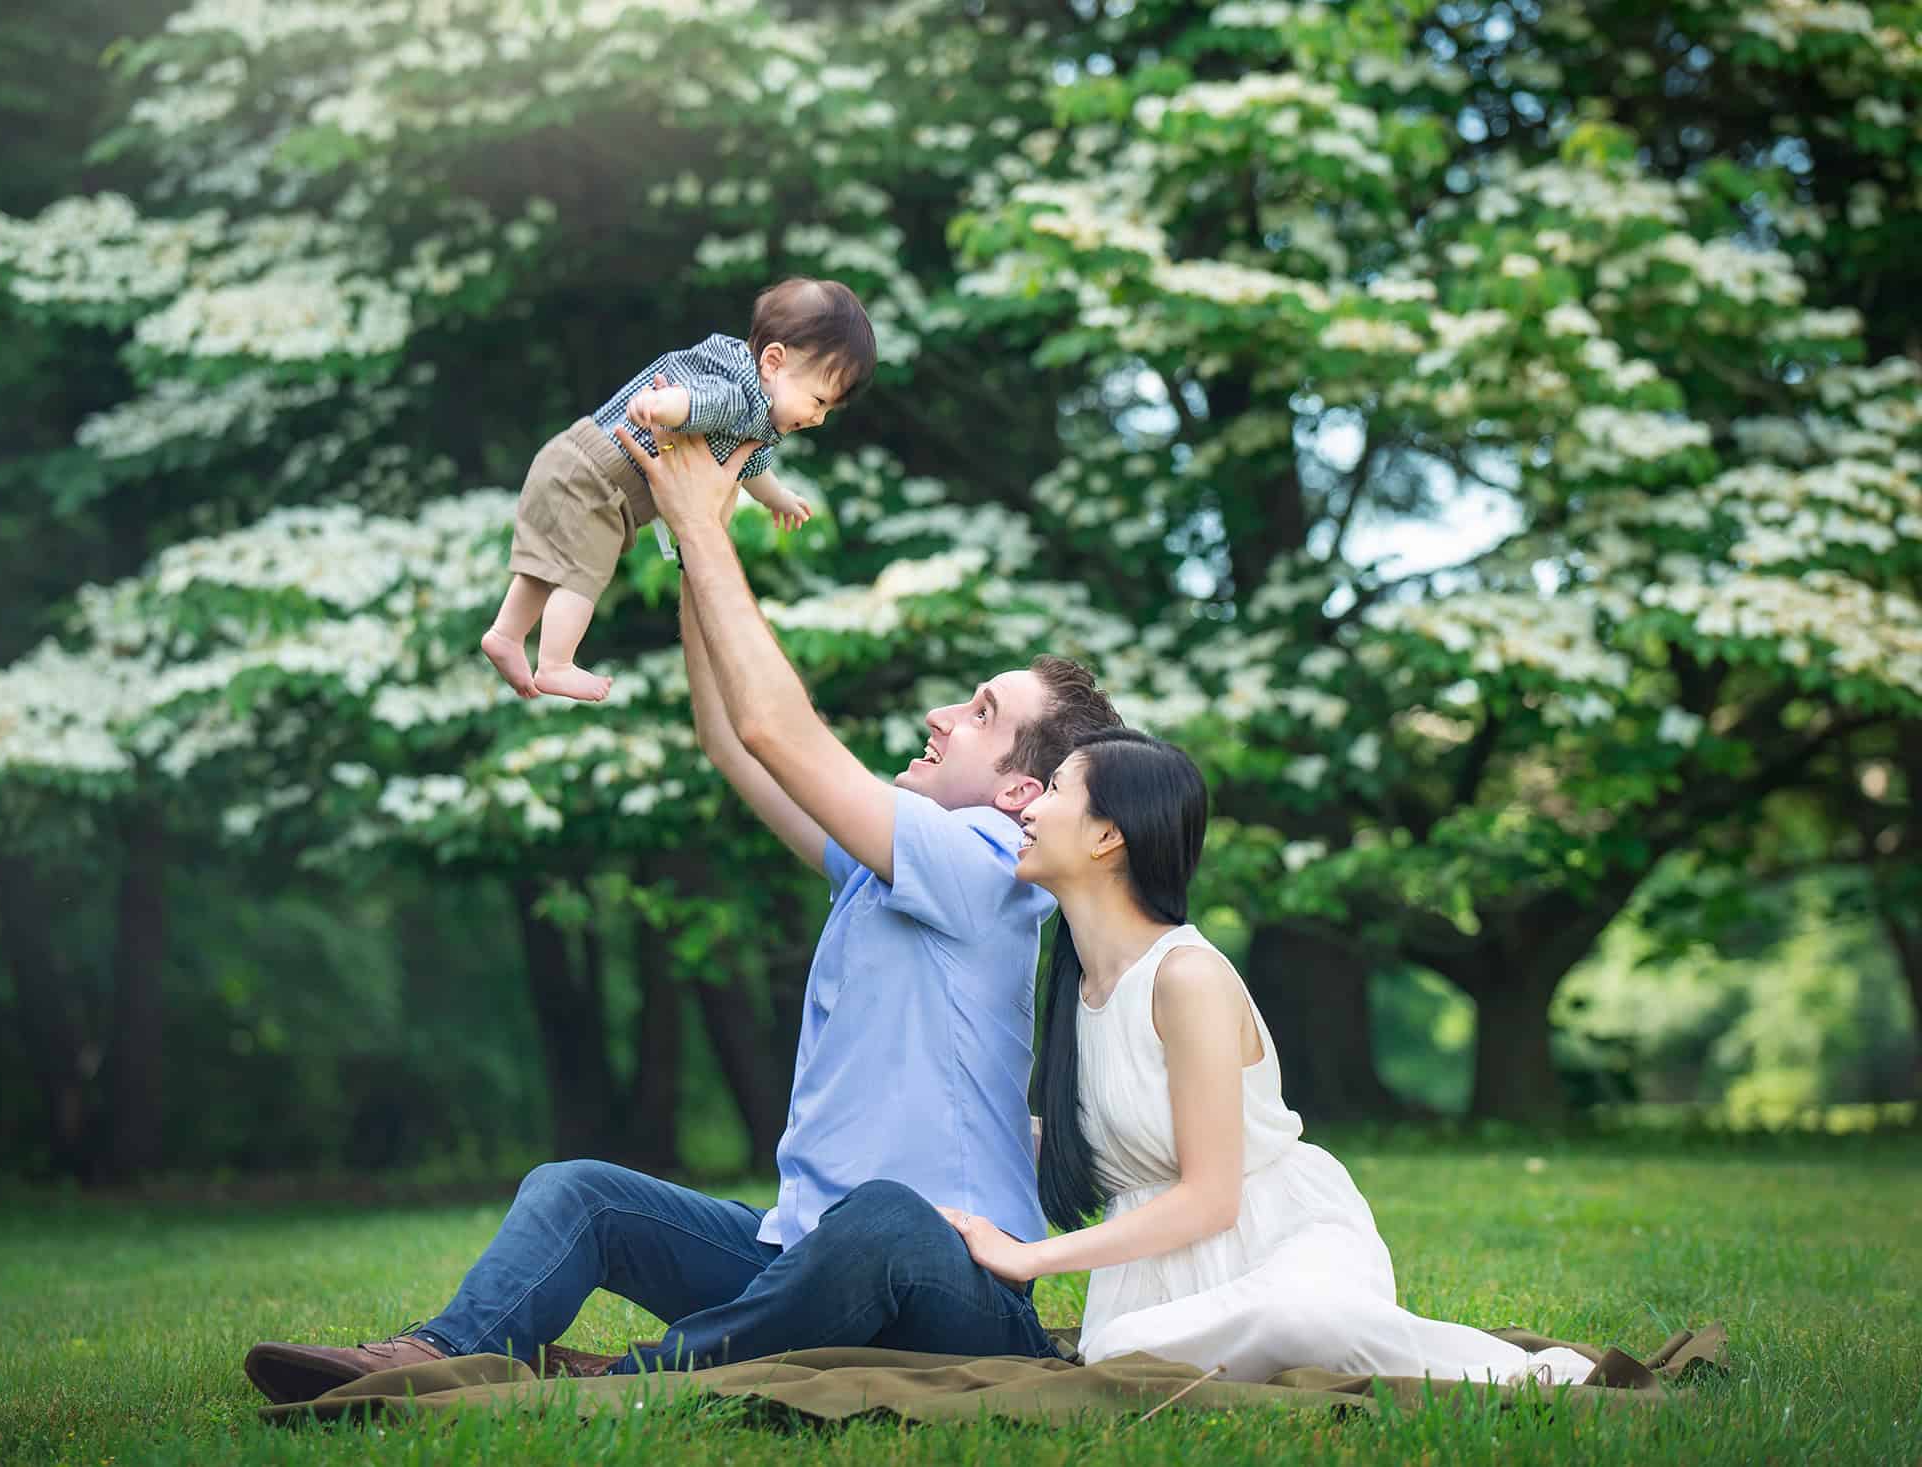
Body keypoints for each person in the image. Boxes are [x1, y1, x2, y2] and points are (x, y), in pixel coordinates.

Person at [243, 427, 1123, 1404]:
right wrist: (681, 533)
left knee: (885, 1216)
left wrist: (708, 525)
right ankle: (438, 1353)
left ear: (1017, 793)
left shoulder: (990, 870)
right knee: (578, 1192)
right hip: (809, 1259)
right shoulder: (893, 864)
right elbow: (735, 742)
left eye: (979, 714)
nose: (941, 719)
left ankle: (635, 1378)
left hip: (955, 1291)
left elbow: (773, 727)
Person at [939, 728, 1597, 1388]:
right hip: (1157, 1282)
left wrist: (1031, 1258)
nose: (1026, 807)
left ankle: (1522, 1374)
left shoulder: (1185, 975)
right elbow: (1110, 1143)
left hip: (1285, 1241)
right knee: (1121, 1350)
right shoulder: (1079, 988)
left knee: (1302, 1318)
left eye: (1054, 790)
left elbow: (1211, 1199)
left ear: (1108, 835)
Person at [480, 276, 872, 702]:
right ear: (773, 362)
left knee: (551, 565)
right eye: (818, 401)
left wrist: (777, 497)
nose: (819, 419)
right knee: (582, 574)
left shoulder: (756, 410)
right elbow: (697, 401)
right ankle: (555, 663)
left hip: (579, 465)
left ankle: (505, 635)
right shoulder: (736, 393)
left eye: (829, 409)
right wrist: (663, 406)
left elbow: (752, 465)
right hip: (595, 479)